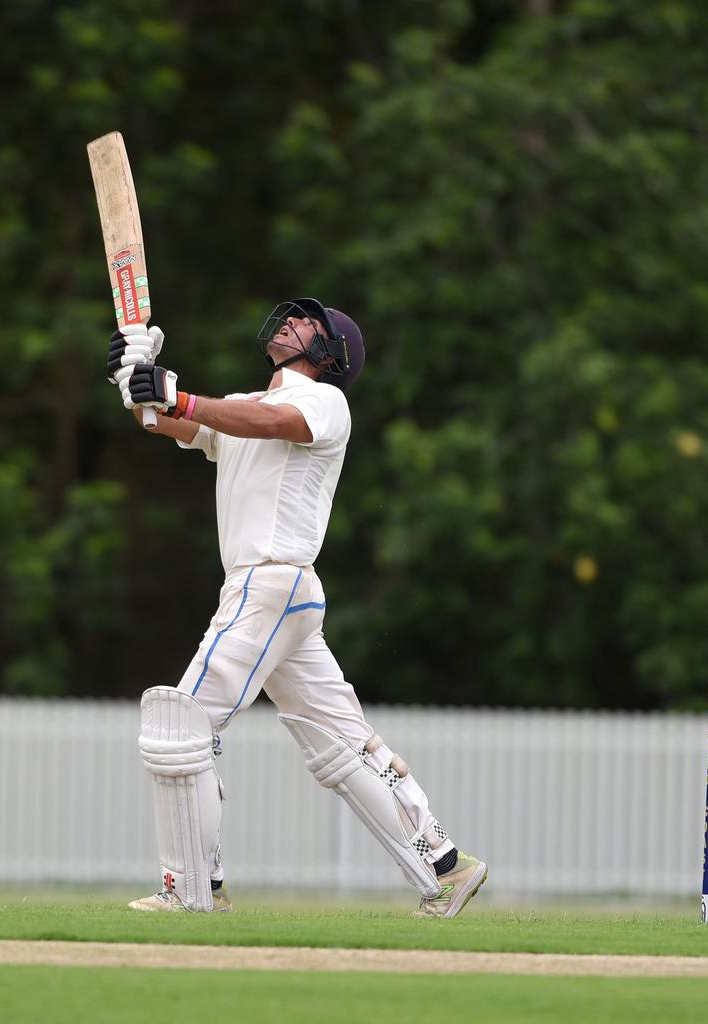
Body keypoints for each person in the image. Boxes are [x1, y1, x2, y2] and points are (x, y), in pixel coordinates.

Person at [108, 299, 488, 918]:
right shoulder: (244, 406)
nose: (290, 321)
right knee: (341, 742)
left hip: (269, 586)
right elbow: (170, 423)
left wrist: (179, 399)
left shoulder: (323, 402)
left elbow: (267, 422)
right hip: (283, 597)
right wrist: (137, 379)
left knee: (180, 727)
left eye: (309, 322)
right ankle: (445, 866)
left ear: (332, 353)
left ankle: (194, 889)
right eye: (292, 316)